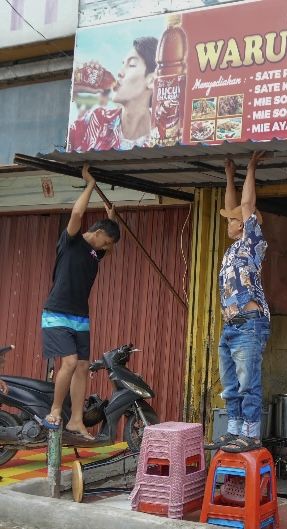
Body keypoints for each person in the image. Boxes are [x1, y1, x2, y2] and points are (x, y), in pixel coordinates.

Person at [42, 164, 119, 440]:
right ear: (97, 233)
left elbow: (108, 240)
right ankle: (55, 411)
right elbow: (77, 213)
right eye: (107, 242)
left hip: (80, 317)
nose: (106, 249)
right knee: (71, 362)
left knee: (84, 366)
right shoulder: (72, 241)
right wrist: (89, 184)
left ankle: (76, 419)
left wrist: (113, 218)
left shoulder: (94, 255)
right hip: (57, 313)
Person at [208, 152, 270, 453]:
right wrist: (229, 176)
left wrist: (250, 169)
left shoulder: (253, 241)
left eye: (234, 221)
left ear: (246, 225)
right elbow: (236, 206)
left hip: (250, 324)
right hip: (232, 325)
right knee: (231, 385)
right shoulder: (232, 248)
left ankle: (251, 434)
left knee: (248, 384)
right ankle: (233, 431)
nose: (230, 222)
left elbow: (245, 206)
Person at [68, 37, 157, 151]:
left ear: (151, 80)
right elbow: (60, 144)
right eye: (123, 63)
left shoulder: (162, 136)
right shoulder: (97, 120)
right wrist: (76, 86)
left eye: (131, 65)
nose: (119, 72)